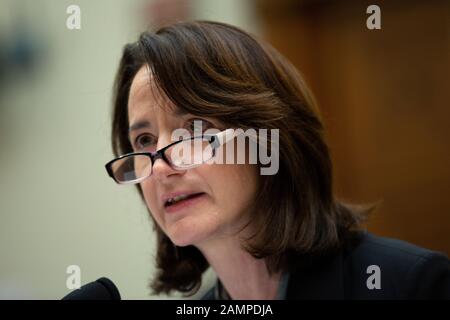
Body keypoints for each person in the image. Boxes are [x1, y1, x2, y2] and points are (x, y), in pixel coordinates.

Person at [104, 21, 450, 299]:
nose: (162, 165)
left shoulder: (412, 284)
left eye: (194, 129)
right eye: (145, 140)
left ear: (267, 142)